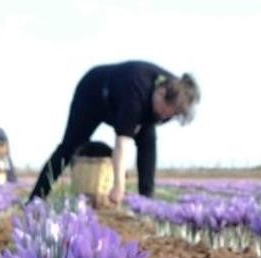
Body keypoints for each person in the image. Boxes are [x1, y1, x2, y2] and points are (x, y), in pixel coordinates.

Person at [29, 61, 199, 204]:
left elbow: (145, 135)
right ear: (161, 92)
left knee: (148, 143)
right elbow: (122, 143)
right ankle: (35, 199)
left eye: (171, 116)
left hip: (129, 102)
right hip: (92, 95)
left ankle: (147, 204)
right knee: (69, 147)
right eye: (165, 111)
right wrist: (119, 185)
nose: (164, 117)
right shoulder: (137, 89)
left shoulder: (174, 95)